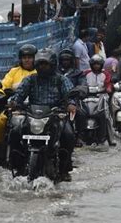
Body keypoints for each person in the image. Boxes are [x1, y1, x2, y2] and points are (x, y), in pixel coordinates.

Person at [9, 48, 76, 181]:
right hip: (33, 115)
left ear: (52, 65)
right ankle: (17, 165)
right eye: (40, 64)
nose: (42, 67)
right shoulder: (30, 79)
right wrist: (14, 103)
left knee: (68, 135)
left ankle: (64, 169)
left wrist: (71, 103)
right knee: (15, 131)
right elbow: (19, 94)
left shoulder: (61, 80)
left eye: (45, 64)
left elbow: (70, 93)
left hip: (55, 115)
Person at [0, 44, 37, 167]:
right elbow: (4, 85)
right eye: (24, 57)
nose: (27, 60)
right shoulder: (14, 72)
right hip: (15, 108)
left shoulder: (40, 72)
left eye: (29, 57)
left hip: (36, 110)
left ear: (34, 58)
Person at [83, 54, 116, 146]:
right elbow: (81, 83)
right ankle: (78, 136)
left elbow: (108, 83)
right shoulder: (86, 73)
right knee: (80, 113)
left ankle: (110, 137)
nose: (96, 66)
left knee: (106, 116)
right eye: (94, 64)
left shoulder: (105, 73)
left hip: (102, 96)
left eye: (98, 64)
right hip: (87, 97)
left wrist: (108, 88)